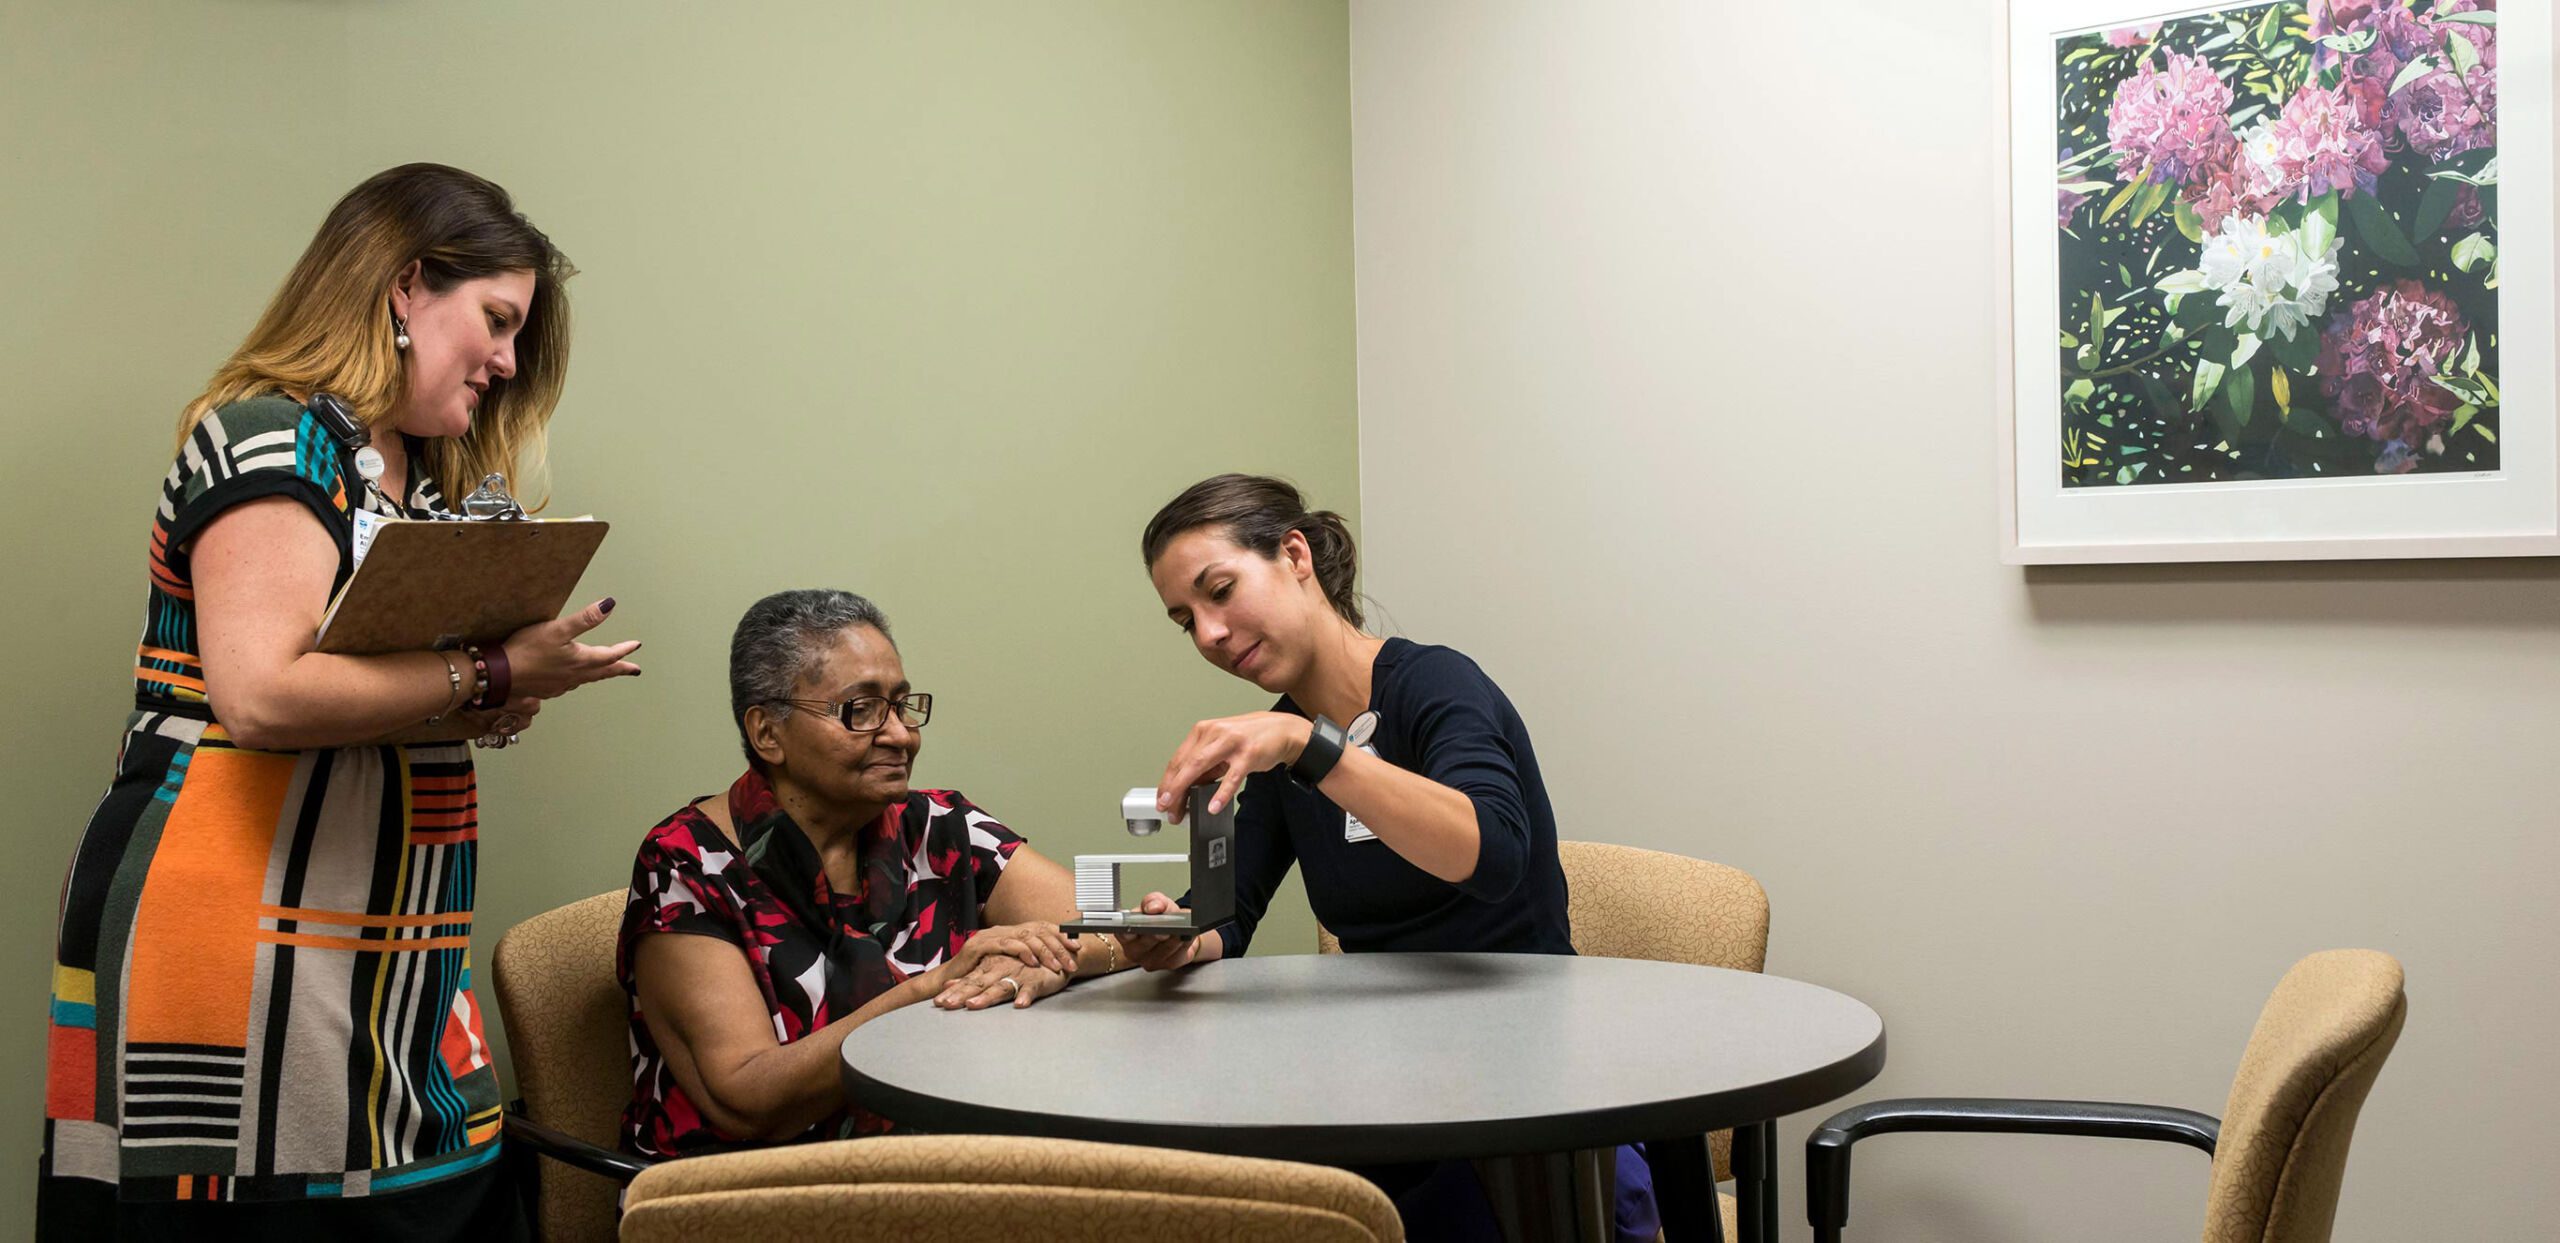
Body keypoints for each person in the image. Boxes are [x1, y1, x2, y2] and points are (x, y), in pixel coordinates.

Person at [41, 164, 640, 1240]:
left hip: (390, 948)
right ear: (407, 288)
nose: (506, 363)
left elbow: (371, 698)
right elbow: (265, 694)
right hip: (239, 947)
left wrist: (486, 696)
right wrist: (492, 673)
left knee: (433, 1194)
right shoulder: (269, 436)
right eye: (496, 321)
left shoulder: (417, 477)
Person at [1119, 473, 1656, 1242]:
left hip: (1528, 1099)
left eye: (1221, 590)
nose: (1207, 633)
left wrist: (1311, 746)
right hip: (1391, 1093)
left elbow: (1492, 851)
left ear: (1295, 555)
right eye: (1185, 620)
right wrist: (1181, 933)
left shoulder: (1435, 684)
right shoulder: (1283, 737)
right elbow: (1231, 912)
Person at [619, 589, 1129, 1158]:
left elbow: (1141, 933)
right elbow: (748, 1100)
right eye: (860, 710)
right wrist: (932, 989)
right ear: (768, 733)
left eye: (902, 705)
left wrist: (1040, 964)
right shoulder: (686, 862)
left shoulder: (939, 825)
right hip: (749, 1195)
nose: (901, 735)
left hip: (935, 1169)